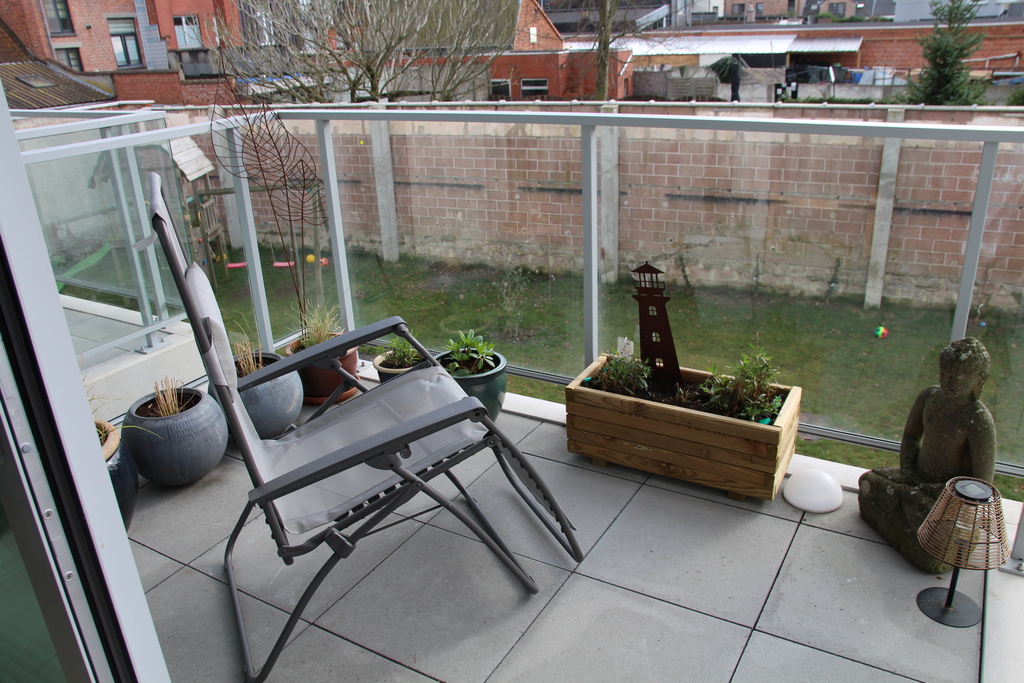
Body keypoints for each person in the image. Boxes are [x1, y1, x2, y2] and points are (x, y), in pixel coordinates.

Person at [858, 337, 996, 572]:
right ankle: (906, 502)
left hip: (945, 497)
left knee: (934, 541)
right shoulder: (930, 397)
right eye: (944, 373)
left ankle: (913, 518)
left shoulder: (978, 420)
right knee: (867, 483)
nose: (948, 381)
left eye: (958, 377)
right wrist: (908, 470)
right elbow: (911, 437)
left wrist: (935, 491)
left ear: (979, 380)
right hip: (913, 478)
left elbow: (981, 485)